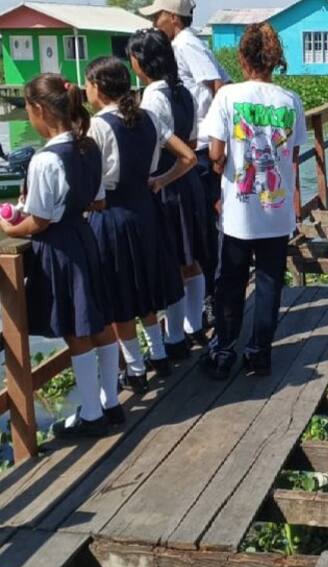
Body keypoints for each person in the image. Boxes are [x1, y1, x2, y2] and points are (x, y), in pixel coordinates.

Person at [0, 75, 114, 438]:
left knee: (74, 329)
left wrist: (11, 228)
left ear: (38, 111)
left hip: (61, 247)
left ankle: (93, 415)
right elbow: (97, 200)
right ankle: (110, 402)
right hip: (85, 238)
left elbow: (41, 219)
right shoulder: (88, 147)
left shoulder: (45, 158)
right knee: (96, 323)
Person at [84, 55, 197, 396]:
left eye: (88, 85)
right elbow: (189, 157)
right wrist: (161, 180)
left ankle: (135, 369)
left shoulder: (97, 126)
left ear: (98, 87)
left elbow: (94, 187)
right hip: (145, 210)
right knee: (145, 288)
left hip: (112, 216)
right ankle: (159, 354)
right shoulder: (147, 116)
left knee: (119, 295)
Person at [199, 22, 304, 379]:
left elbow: (215, 151)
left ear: (243, 58)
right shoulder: (291, 100)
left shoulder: (227, 97)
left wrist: (222, 165)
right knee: (270, 283)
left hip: (239, 212)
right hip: (277, 211)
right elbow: (292, 155)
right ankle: (259, 353)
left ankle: (224, 350)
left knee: (230, 283)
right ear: (275, 60)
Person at [128, 27, 214, 359]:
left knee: (174, 263)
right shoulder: (184, 93)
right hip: (189, 183)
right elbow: (192, 144)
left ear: (140, 61)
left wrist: (161, 179)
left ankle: (175, 337)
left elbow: (177, 149)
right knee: (190, 259)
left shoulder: (152, 97)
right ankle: (194, 326)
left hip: (166, 184)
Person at [142, 0, 227, 316]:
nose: (154, 23)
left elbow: (218, 85)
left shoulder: (184, 44)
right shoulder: (190, 44)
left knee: (198, 233)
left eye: (157, 16)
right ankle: (205, 301)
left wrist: (221, 139)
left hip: (199, 147)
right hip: (197, 146)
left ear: (173, 18)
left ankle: (208, 301)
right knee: (200, 229)